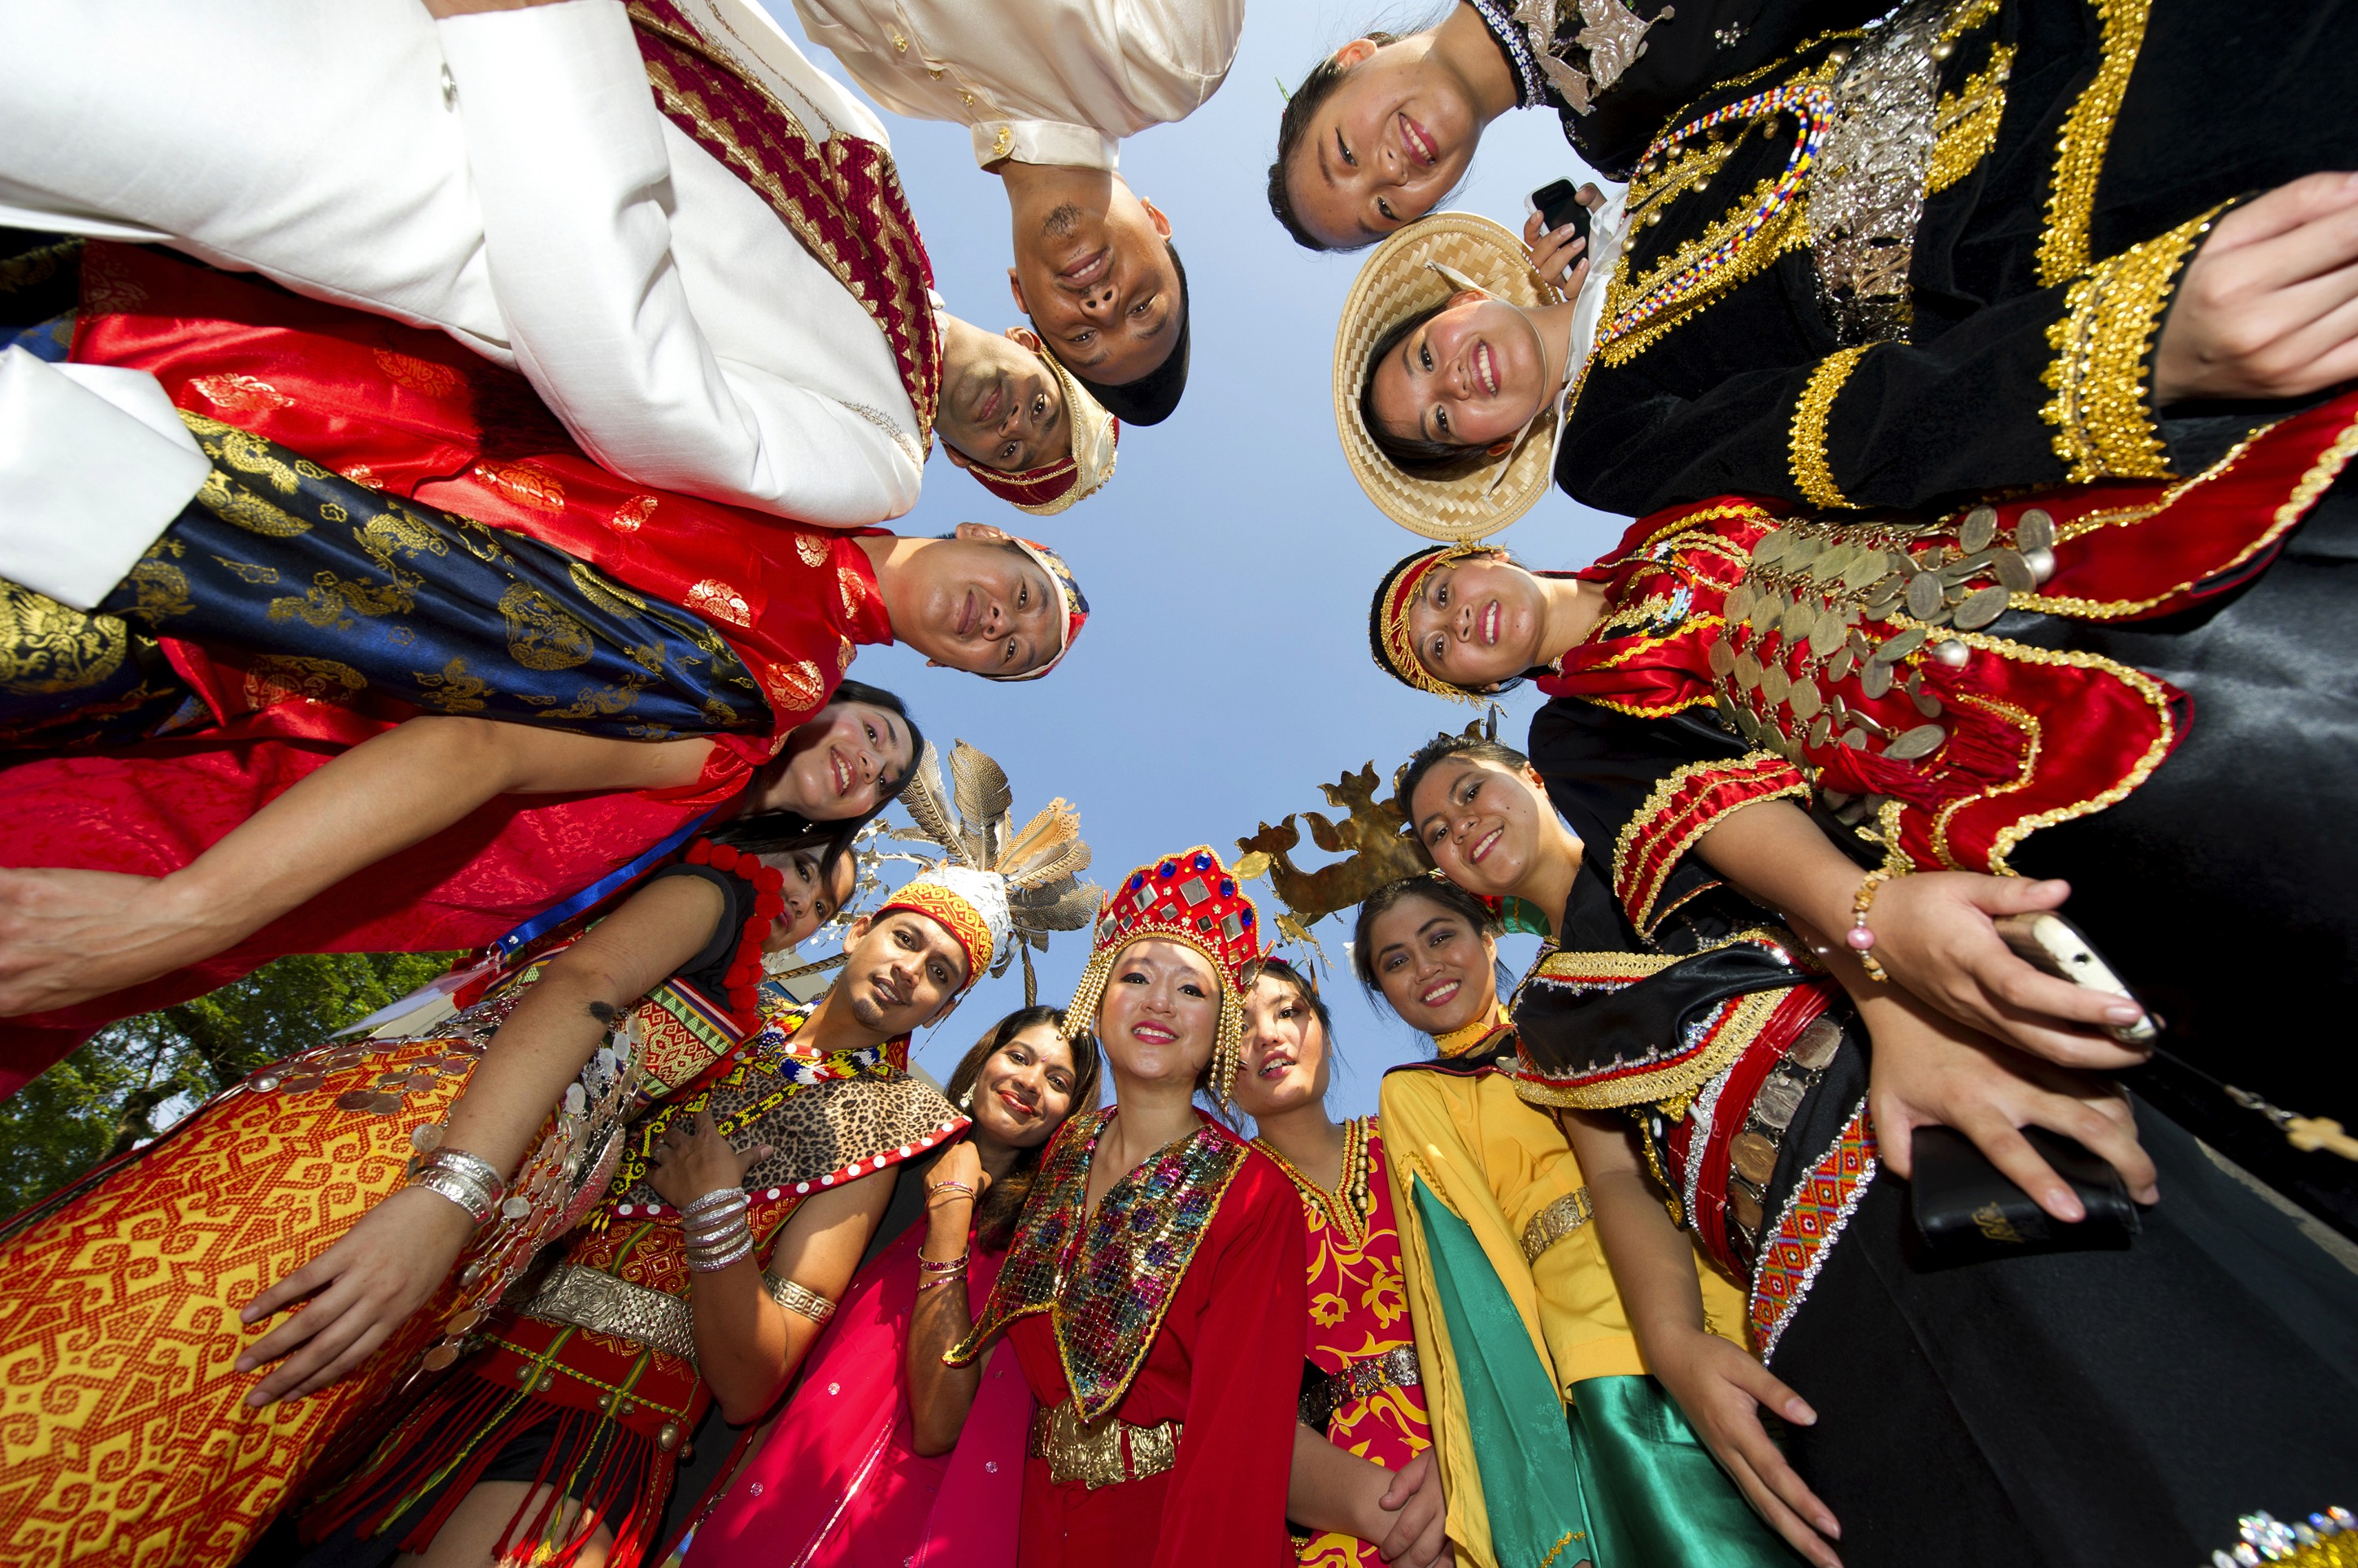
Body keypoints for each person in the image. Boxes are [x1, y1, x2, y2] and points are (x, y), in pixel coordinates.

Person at [1344, 206, 2358, 1233]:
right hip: (1993, 776)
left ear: (1487, 554)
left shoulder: (1658, 501)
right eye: (1439, 648)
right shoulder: (1574, 730)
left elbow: (1849, 405)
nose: (1456, 623)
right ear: (1472, 686)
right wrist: (1872, 942)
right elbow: (1719, 816)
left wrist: (1586, 281)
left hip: (2061, 546)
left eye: (1442, 594)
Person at [1398, 728, 2358, 1567]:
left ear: (1531, 776)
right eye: (1436, 832)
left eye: (1470, 790)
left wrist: (1897, 1012)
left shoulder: (1664, 821)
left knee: (2167, 1396)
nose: (1460, 825)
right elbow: (1615, 1176)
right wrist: (1674, 1345)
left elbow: (1852, 902)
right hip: (1797, 1291)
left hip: (1926, 1134)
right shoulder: (1545, 1016)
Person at [0, 818, 864, 1567]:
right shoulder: (713, 894)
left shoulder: (857, 1094)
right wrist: (452, 1190)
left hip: (492, 1290)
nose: (801, 900)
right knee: (161, 1382)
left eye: (823, 903)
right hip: (411, 1165)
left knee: (214, 1440)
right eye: (801, 865)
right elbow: (580, 987)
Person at [0, 0, 1125, 523]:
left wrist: (526, 28)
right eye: (1043, 411)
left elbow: (641, 394)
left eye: (1014, 457)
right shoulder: (881, 177)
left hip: (388, 149)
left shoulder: (880, 461)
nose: (1014, 427)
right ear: (1028, 343)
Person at [287, 862, 1012, 1568]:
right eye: (906, 939)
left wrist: (713, 1209)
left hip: (597, 1428)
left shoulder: (894, 1123)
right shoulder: (723, 1013)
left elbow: (753, 1383)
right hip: (444, 1356)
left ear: (943, 1009)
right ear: (859, 931)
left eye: (940, 973)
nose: (911, 971)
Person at [0, 680, 920, 1090]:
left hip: (271, 923)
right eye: (874, 734)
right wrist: (189, 909)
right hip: (211, 843)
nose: (867, 767)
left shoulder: (700, 834)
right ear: (829, 695)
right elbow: (472, 748)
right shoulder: (715, 739)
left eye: (883, 782)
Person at [1345, 875, 1788, 1568]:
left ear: (1489, 937)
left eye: (1441, 936)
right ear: (1382, 990)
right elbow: (1474, 1287)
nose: (1426, 966)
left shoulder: (1572, 1013)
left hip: (1731, 1291)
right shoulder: (1418, 1092)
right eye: (1396, 960)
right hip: (1602, 1349)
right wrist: (1539, 1500)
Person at [944, 847, 1318, 1567]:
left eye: (1191, 989)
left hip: (1166, 1527)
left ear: (1222, 1027)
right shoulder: (1061, 1150)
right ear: (1097, 993)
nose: (1158, 1003)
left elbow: (1238, 1442)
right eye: (1137, 976)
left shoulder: (1254, 1193)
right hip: (1023, 1517)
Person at [685, 1005, 1101, 1568]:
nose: (1029, 1082)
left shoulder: (1039, 1250)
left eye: (1058, 1081)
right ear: (985, 1060)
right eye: (1020, 1056)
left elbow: (939, 1424)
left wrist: (952, 1214)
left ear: (1070, 1115)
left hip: (885, 1525)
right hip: (762, 1483)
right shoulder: (883, 1157)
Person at [788, 0, 1237, 423]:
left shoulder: (892, 82)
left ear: (1020, 294)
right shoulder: (1175, 60)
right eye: (1142, 307)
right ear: (1157, 222)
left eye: (1083, 339)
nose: (1102, 310)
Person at [1266, 0, 1886, 251]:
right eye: (1384, 209)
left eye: (1345, 153)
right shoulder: (1624, 140)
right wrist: (1609, 275)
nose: (1386, 171)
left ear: (1351, 58)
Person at [1227, 955, 1448, 1568]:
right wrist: (1390, 1512)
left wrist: (1470, 1456)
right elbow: (1237, 1416)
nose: (1269, 1035)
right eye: (1239, 1026)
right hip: (1336, 1517)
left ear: (1323, 1027)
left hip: (1488, 1451)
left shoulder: (1416, 1138)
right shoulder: (1222, 1208)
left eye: (1289, 1011)